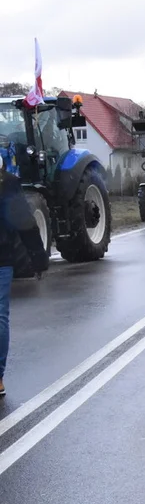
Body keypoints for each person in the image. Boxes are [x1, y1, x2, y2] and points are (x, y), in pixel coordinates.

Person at [0, 151, 49, 395]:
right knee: (0, 316)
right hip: (2, 257)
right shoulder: (7, 182)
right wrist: (38, 258)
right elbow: (24, 223)